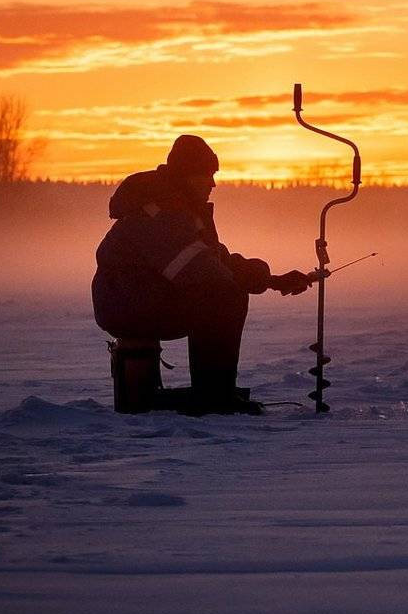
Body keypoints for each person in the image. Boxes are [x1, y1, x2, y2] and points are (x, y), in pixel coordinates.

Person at [92, 134, 312, 414]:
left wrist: (271, 279)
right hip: (126, 304)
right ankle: (214, 397)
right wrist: (252, 280)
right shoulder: (160, 214)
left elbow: (214, 258)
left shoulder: (179, 210)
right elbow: (201, 271)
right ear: (187, 176)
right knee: (224, 297)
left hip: (140, 298)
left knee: (225, 292)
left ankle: (215, 393)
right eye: (207, 175)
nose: (213, 183)